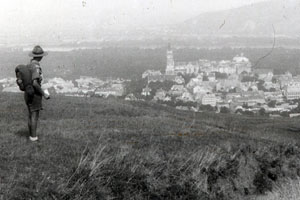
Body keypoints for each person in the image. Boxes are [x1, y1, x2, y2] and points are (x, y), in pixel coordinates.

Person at [16, 45, 50, 142]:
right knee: (34, 115)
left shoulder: (29, 64)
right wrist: (43, 93)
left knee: (30, 115)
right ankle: (33, 138)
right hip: (35, 94)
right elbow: (35, 83)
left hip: (27, 93)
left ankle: (31, 136)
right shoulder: (36, 66)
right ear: (41, 56)